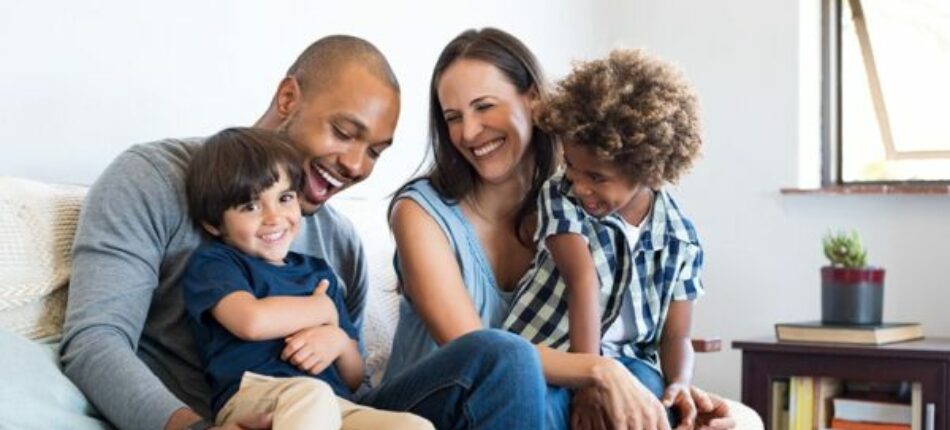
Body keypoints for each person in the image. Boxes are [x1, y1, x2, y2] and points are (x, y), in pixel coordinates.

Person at [61, 34, 544, 430]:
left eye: (375, 151)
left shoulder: (341, 244)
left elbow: (351, 382)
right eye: (344, 132)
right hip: (218, 411)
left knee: (503, 356)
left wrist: (340, 347)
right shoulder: (153, 178)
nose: (356, 165)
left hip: (330, 412)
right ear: (289, 98)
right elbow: (95, 341)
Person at [385, 27, 736, 430]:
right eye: (453, 118)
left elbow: (655, 330)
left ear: (534, 99)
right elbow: (479, 353)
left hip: (521, 401)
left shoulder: (586, 200)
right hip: (433, 404)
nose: (468, 132)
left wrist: (670, 391)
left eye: (484, 106)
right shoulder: (420, 213)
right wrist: (599, 370)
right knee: (509, 357)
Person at [502, 48, 705, 426]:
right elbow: (583, 281)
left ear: (647, 170)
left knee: (651, 405)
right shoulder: (560, 195)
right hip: (554, 351)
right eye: (571, 166)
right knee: (543, 407)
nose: (580, 186)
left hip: (630, 361)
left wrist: (680, 382)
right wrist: (590, 382)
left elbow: (677, 337)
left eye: (596, 177)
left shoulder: (681, 239)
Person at [181, 127, 431, 430]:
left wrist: (338, 342)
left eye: (285, 198)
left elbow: (353, 378)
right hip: (258, 395)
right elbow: (251, 321)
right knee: (312, 396)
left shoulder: (319, 273)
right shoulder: (217, 263)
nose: (274, 217)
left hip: (334, 404)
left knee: (413, 426)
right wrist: (322, 310)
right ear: (213, 223)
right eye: (251, 206)